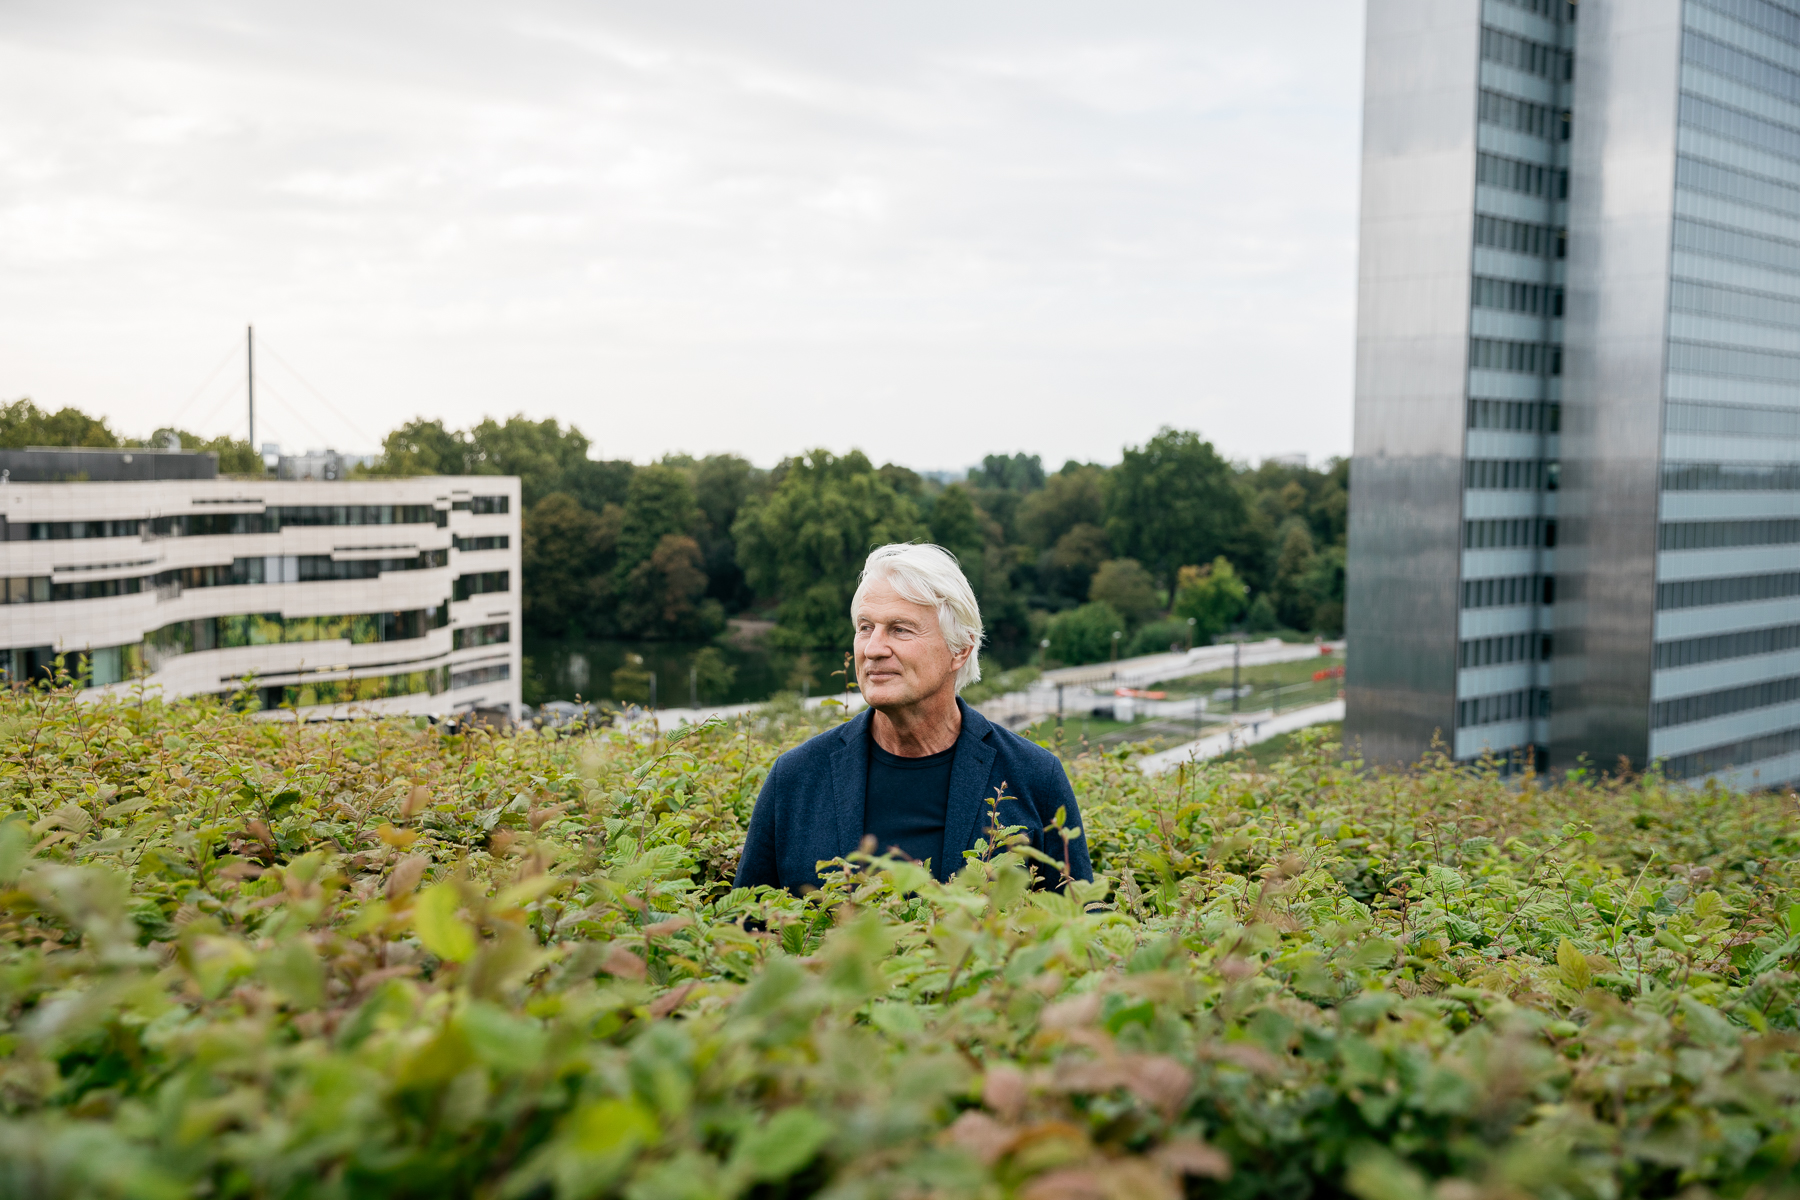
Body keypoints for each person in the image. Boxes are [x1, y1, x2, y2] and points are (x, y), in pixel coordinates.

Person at [734, 542, 1093, 892]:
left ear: (960, 650)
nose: (874, 648)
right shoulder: (794, 778)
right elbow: (745, 934)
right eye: (865, 627)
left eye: (900, 629)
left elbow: (1077, 933)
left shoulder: (1035, 778)